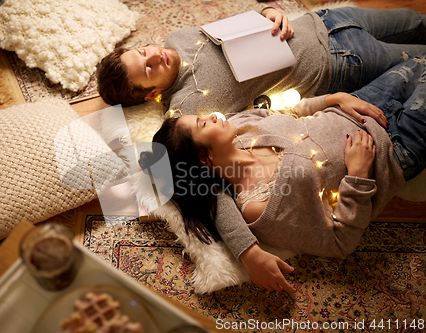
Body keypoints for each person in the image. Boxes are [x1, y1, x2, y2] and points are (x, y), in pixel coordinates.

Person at [138, 53, 426, 293]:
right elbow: (340, 242)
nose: (212, 115)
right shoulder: (259, 207)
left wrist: (334, 99)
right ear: (204, 158)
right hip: (396, 147)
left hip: (358, 104)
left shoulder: (242, 125)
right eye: (203, 124)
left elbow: (294, 111)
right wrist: (358, 176)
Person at [97, 6, 426, 117]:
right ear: (152, 94)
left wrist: (268, 13)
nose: (155, 55)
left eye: (142, 52)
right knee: (421, 61)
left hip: (326, 20)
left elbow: (240, 26)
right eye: (148, 69)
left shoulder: (176, 39)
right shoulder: (188, 107)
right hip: (339, 62)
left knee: (415, 20)